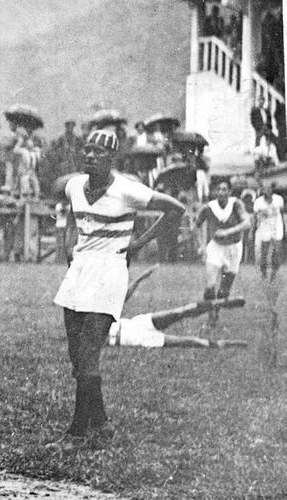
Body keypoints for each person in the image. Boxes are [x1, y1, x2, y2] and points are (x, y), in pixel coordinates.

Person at [50, 129, 184, 451]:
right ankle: (102, 425)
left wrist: (137, 243)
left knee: (87, 356)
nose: (90, 156)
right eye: (87, 150)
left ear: (112, 158)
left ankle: (78, 435)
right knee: (75, 356)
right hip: (79, 271)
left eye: (98, 152)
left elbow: (175, 209)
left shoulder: (127, 190)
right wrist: (71, 246)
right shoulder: (73, 187)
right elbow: (71, 217)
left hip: (110, 272)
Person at [110, 266, 248, 349]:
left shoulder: (92, 313)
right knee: (185, 341)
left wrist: (140, 278)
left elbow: (121, 300)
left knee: (181, 311)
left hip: (132, 323)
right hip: (130, 337)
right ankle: (223, 344)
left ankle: (221, 303)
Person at [194, 180, 252, 327]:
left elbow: (247, 223)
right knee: (210, 285)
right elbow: (196, 225)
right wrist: (201, 245)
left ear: (229, 191)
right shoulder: (209, 207)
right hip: (216, 247)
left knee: (224, 290)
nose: (221, 192)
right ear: (215, 192)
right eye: (218, 189)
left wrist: (227, 231)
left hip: (234, 248)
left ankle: (216, 313)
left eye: (224, 189)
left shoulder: (236, 204)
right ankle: (210, 316)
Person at [253, 183, 284, 279]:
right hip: (264, 228)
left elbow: (281, 214)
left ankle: (273, 274)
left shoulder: (278, 199)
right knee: (264, 252)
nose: (267, 190)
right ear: (262, 190)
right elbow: (255, 217)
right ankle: (263, 274)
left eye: (269, 188)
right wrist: (254, 230)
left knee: (276, 251)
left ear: (272, 189)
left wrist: (284, 227)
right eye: (265, 189)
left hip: (277, 227)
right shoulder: (258, 202)